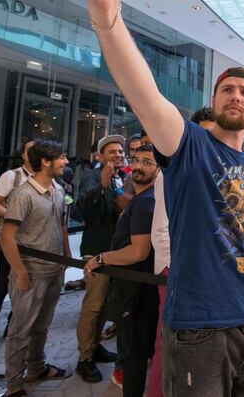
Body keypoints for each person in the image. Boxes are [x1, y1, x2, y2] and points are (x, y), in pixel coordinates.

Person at [76, 0, 244, 396]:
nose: (236, 95)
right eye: (226, 89)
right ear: (214, 102)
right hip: (197, 324)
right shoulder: (189, 145)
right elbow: (145, 94)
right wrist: (107, 15)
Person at [146, 106, 215, 397]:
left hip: (208, 275)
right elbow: (161, 231)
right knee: (170, 345)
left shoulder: (221, 170)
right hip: (177, 274)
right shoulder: (172, 171)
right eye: (203, 134)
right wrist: (174, 272)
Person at [85, 144, 160, 396]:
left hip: (135, 290)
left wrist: (101, 258)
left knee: (133, 354)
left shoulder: (144, 204)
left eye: (147, 162)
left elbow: (138, 251)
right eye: (136, 160)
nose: (138, 166)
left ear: (159, 170)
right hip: (139, 287)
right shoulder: (143, 200)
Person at [0, 139, 72, 397]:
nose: (66, 162)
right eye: (62, 157)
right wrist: (20, 272)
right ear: (45, 161)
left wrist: (67, 260)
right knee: (21, 330)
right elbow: (6, 237)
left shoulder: (58, 189)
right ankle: (13, 385)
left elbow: (61, 227)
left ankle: (37, 367)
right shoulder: (23, 194)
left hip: (54, 270)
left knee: (42, 325)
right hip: (31, 272)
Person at [74, 134, 127, 382]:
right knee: (93, 305)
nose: (117, 155)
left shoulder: (123, 178)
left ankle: (95, 347)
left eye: (120, 151)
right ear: (100, 156)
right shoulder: (91, 177)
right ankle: (84, 358)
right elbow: (81, 208)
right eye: (112, 151)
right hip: (96, 251)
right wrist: (101, 187)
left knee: (105, 305)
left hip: (115, 253)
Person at [0, 139, 35, 343]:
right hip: (8, 240)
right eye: (30, 151)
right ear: (23, 154)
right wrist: (14, 217)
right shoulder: (12, 176)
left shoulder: (48, 180)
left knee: (24, 288)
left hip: (31, 243)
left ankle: (12, 326)